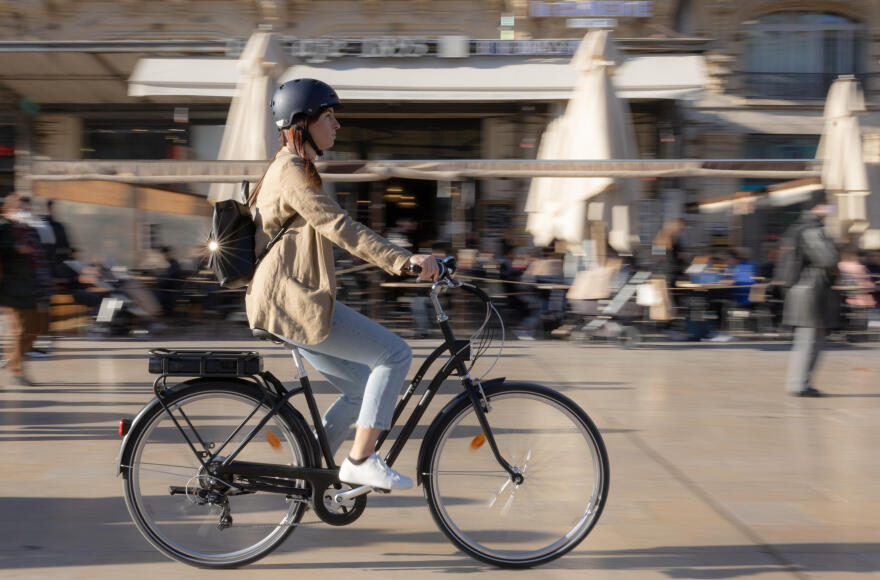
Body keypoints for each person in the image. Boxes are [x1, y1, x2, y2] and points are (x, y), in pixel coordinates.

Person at [245, 78, 439, 491]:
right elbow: (337, 226)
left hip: (287, 299)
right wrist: (403, 262)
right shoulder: (291, 169)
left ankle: (308, 473)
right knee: (394, 353)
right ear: (302, 122)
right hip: (291, 301)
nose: (336, 125)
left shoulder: (291, 167)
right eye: (328, 116)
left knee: (358, 390)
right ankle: (361, 458)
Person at [777, 193, 839, 397]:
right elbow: (828, 259)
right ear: (818, 207)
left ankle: (799, 383)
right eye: (829, 207)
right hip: (812, 291)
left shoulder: (796, 227)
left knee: (806, 341)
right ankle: (800, 385)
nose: (832, 211)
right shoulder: (813, 229)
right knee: (811, 342)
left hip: (800, 290)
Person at [0, 194, 53, 385]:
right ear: (8, 211)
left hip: (34, 286)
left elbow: (43, 256)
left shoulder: (32, 231)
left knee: (36, 329)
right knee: (19, 330)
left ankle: (12, 358)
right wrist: (14, 247)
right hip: (12, 288)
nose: (25, 212)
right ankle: (17, 371)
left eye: (27, 208)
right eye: (20, 208)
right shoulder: (5, 230)